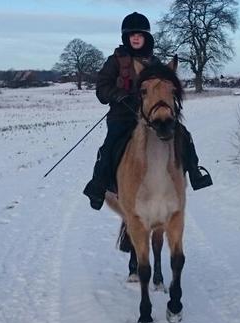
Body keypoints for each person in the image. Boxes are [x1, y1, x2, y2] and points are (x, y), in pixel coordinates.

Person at [83, 11, 212, 210]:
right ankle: (97, 186)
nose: (135, 38)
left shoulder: (155, 64)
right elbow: (102, 88)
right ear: (126, 37)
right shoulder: (115, 61)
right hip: (122, 116)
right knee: (109, 147)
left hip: (152, 117)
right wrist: (117, 94)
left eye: (140, 34)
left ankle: (195, 173)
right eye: (132, 35)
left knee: (184, 135)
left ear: (146, 37)